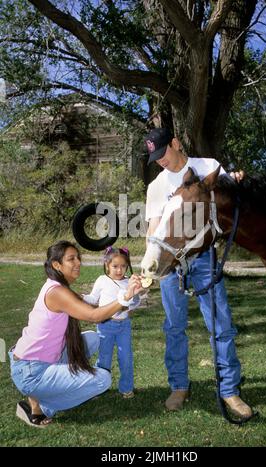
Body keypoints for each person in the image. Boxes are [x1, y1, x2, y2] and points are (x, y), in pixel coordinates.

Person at [144, 127, 252, 419]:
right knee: (174, 327)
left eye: (162, 153)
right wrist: (149, 264)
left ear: (176, 143)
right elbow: (154, 228)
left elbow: (232, 204)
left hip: (203, 259)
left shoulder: (209, 167)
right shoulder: (156, 186)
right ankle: (179, 386)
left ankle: (229, 390)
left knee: (221, 325)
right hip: (171, 266)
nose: (160, 161)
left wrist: (237, 180)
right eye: (155, 157)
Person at [9, 240, 142, 428]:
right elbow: (94, 316)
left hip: (38, 360)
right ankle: (40, 407)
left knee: (93, 338)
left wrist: (132, 294)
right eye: (71, 259)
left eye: (78, 258)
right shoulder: (57, 292)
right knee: (102, 380)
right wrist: (125, 297)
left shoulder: (58, 287)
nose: (78, 262)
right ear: (57, 265)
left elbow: (92, 305)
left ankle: (50, 388)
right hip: (31, 371)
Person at [82, 246, 141, 399]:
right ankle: (99, 388)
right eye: (115, 266)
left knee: (126, 357)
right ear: (107, 265)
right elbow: (93, 299)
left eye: (123, 266)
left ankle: (126, 388)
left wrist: (136, 294)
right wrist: (79, 297)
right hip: (105, 325)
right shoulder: (102, 280)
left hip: (124, 326)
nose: (119, 270)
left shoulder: (129, 282)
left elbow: (134, 303)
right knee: (104, 358)